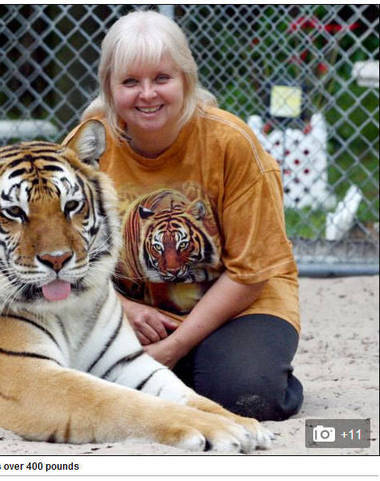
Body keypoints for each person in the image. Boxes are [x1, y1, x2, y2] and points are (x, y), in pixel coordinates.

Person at [76, 10, 303, 421]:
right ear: (110, 88)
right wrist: (118, 306)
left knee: (249, 396)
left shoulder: (231, 143)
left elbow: (250, 274)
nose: (147, 94)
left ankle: (217, 362)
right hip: (129, 308)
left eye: (162, 78)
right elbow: (63, 250)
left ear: (186, 79)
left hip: (238, 307)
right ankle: (189, 368)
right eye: (130, 82)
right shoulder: (89, 144)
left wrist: (171, 348)